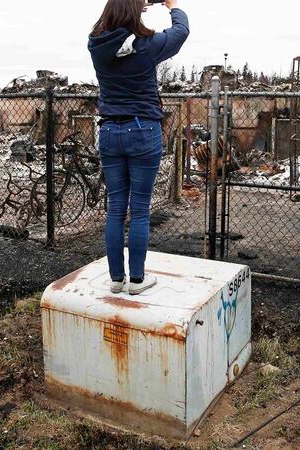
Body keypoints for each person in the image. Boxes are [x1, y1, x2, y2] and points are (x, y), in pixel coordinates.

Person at [88, 0, 189, 295]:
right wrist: (172, 5)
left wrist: (134, 5)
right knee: (140, 210)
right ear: (135, 11)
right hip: (143, 129)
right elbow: (181, 31)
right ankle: (137, 281)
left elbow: (114, 27)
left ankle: (116, 279)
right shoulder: (146, 45)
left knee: (116, 209)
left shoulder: (95, 44)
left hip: (108, 130)